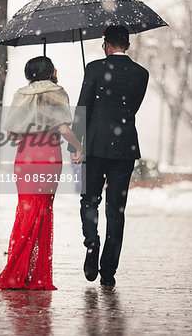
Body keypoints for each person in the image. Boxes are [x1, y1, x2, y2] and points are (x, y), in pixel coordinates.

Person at [68, 25, 149, 287]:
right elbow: (131, 108)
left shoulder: (93, 69)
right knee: (116, 210)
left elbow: (83, 109)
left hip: (94, 144)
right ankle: (109, 270)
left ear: (106, 43)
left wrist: (75, 146)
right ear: (128, 44)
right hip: (124, 147)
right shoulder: (141, 74)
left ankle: (92, 242)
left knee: (89, 199)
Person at [0, 56, 84, 290]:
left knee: (25, 211)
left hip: (25, 158)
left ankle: (16, 270)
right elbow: (64, 128)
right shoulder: (58, 92)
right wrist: (79, 146)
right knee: (42, 211)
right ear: (50, 71)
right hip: (48, 157)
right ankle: (36, 274)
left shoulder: (20, 94)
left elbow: (12, 135)